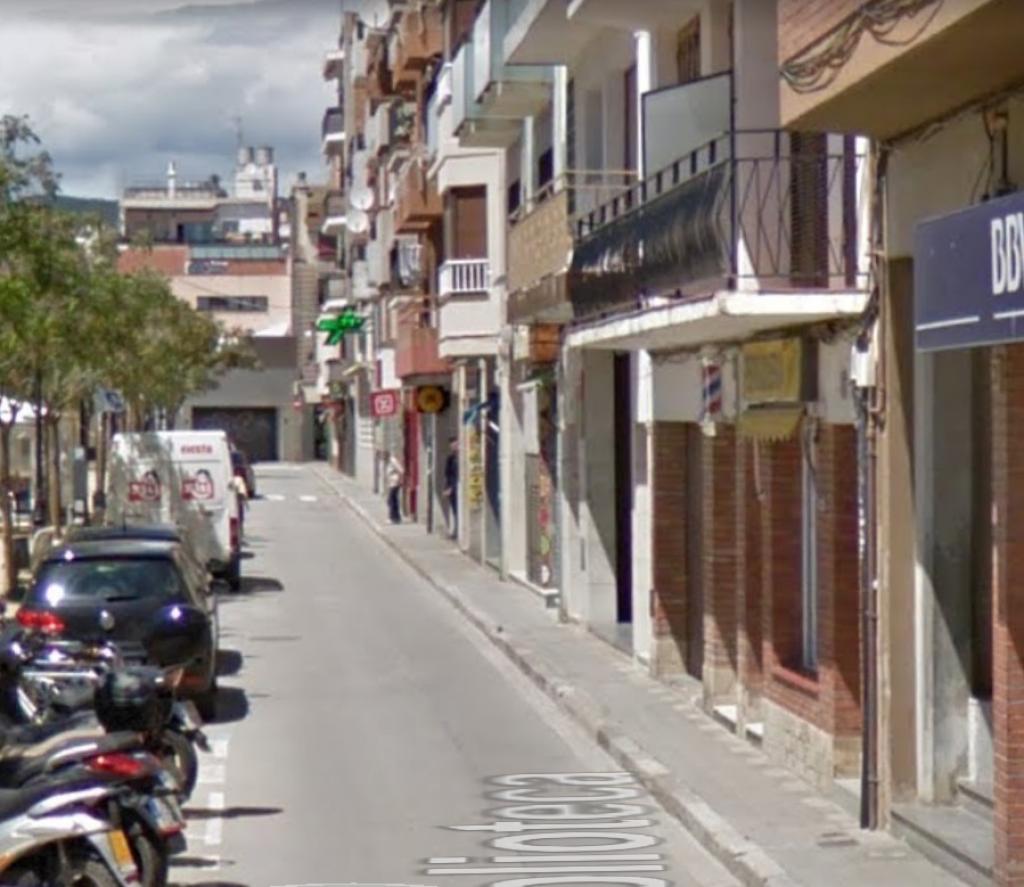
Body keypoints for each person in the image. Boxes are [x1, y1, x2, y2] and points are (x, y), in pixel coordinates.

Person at [443, 436, 458, 540]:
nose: (454, 446)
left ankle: (457, 531)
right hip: (453, 488)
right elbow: (447, 475)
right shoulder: (450, 459)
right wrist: (447, 488)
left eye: (456, 444)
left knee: (459, 510)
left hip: (460, 487)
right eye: (452, 445)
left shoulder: (462, 457)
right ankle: (455, 531)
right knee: (455, 510)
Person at [386, 451, 404, 524]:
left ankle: (392, 517)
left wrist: (398, 477)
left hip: (395, 483)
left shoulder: (393, 460)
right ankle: (397, 517)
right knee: (393, 500)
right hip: (392, 483)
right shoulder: (390, 461)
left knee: (391, 500)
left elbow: (401, 470)